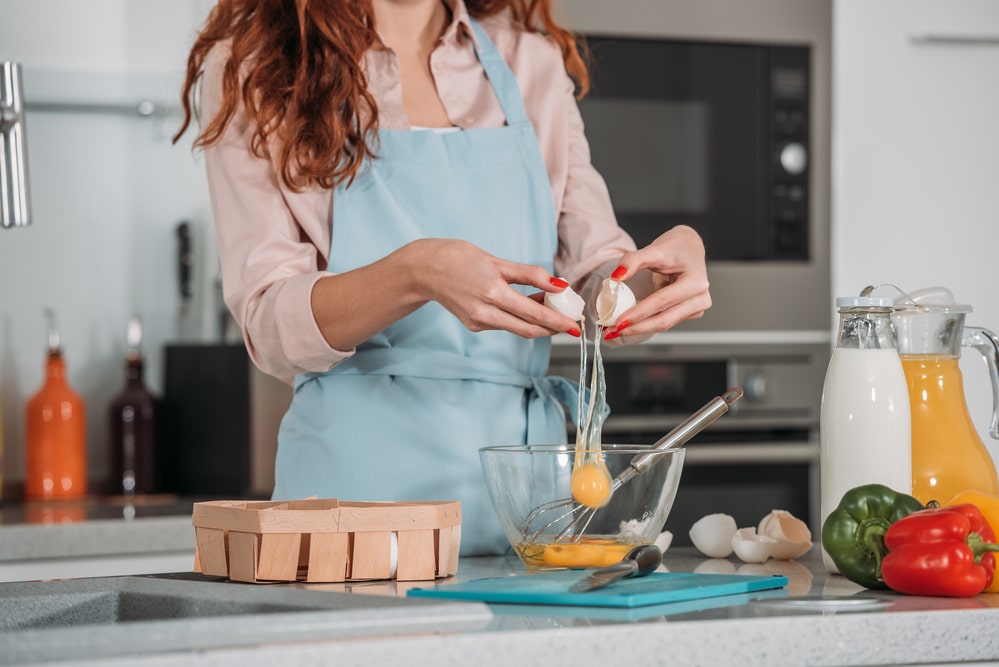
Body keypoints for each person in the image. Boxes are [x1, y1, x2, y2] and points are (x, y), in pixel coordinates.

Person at [175, 0, 711, 556]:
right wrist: (415, 274)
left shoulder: (530, 62)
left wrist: (655, 283)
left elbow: (595, 281)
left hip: (527, 520)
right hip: (349, 522)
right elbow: (268, 324)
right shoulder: (258, 70)